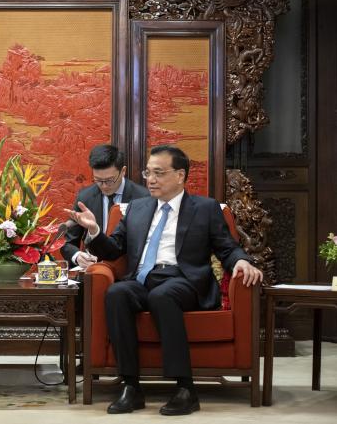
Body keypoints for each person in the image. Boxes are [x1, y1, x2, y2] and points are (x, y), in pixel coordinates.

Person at [66, 145, 262, 416]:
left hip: (184, 279)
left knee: (163, 295)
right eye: (148, 172)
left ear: (180, 175)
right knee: (117, 293)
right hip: (143, 279)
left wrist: (242, 261)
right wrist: (95, 230)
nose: (150, 179)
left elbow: (227, 247)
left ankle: (185, 389)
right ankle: (131, 387)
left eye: (159, 173)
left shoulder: (204, 208)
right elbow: (113, 250)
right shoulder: (137, 207)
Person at [61, 144, 149, 268]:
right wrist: (77, 256)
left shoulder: (142, 197)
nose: (104, 186)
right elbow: (67, 242)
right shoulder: (85, 197)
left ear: (123, 171)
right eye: (98, 180)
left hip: (128, 270)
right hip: (93, 269)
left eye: (109, 180)